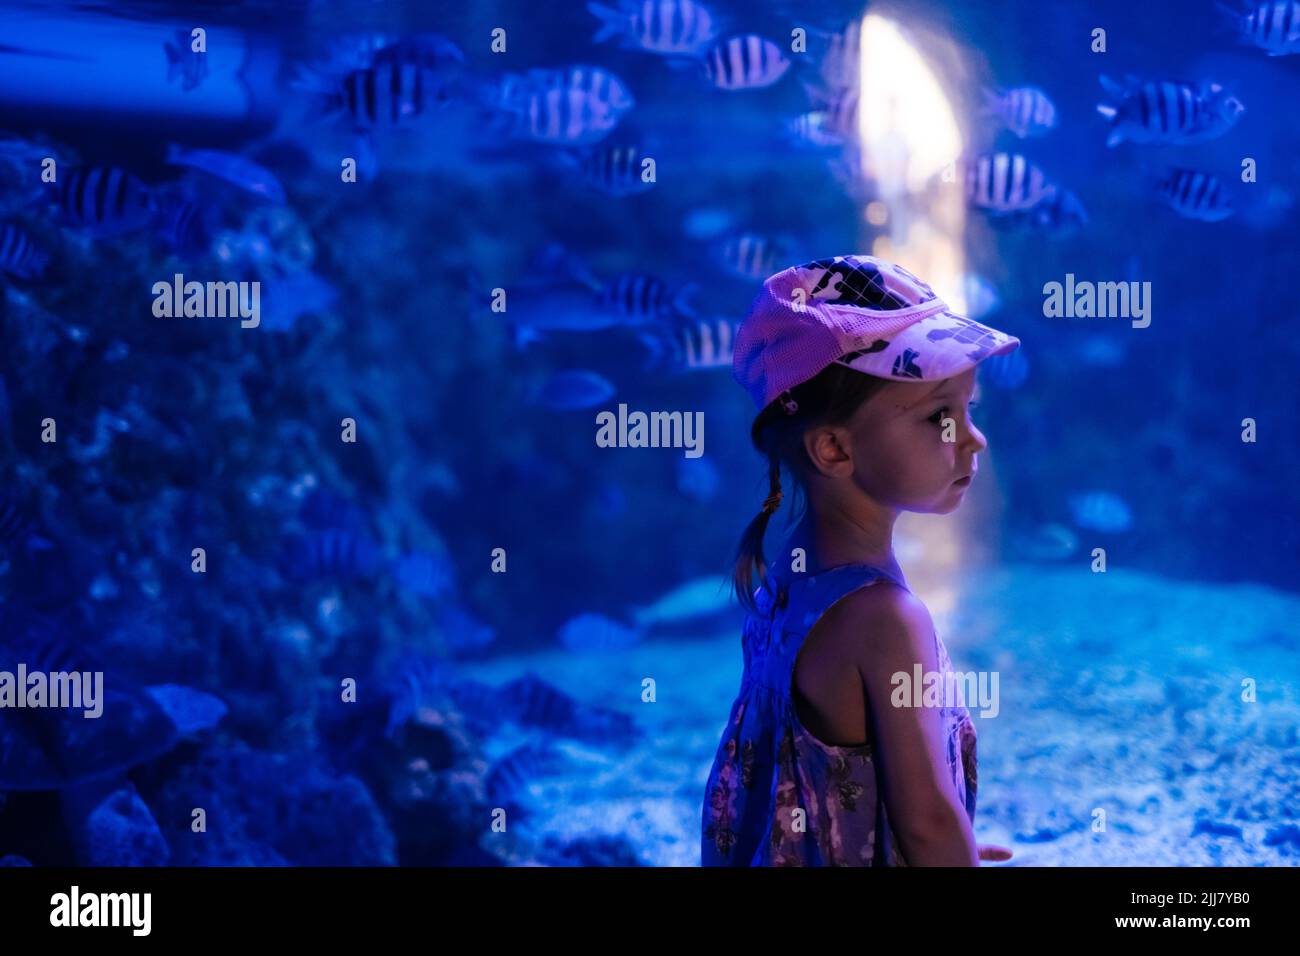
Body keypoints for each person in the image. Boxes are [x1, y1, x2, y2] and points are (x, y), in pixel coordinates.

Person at [701, 255, 1019, 866]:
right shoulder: (887, 620)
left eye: (968, 409)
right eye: (939, 416)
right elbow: (927, 821)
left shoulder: (788, 583)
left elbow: (808, 784)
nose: (972, 438)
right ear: (834, 449)